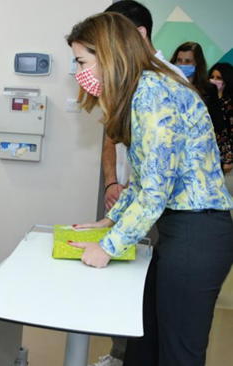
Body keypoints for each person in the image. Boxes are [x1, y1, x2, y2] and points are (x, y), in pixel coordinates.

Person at [66, 12, 233, 366]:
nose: (79, 71)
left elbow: (155, 191)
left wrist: (107, 248)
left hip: (197, 233)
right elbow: (143, 180)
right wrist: (110, 222)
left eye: (82, 61)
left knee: (177, 354)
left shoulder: (154, 93)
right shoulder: (145, 91)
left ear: (108, 55)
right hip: (181, 231)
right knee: (145, 340)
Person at [90, 2, 186, 364]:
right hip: (136, 198)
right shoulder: (133, 82)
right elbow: (117, 141)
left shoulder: (160, 83)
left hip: (172, 215)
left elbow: (157, 186)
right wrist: (113, 191)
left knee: (162, 318)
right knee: (136, 294)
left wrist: (110, 239)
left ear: (137, 35)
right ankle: (122, 354)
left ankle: (123, 353)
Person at [101, 0, 187, 213]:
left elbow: (158, 156)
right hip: (122, 193)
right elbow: (111, 137)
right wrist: (111, 183)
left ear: (140, 33)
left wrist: (130, 192)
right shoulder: (126, 79)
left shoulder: (166, 80)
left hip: (153, 200)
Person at [170, 42, 224, 136]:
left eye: (188, 61)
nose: (182, 65)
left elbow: (218, 124)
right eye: (179, 60)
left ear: (197, 63)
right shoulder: (166, 86)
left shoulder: (209, 89)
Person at [209, 62, 233, 174]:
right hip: (206, 152)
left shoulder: (229, 103)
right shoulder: (206, 99)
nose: (214, 80)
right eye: (212, 77)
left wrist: (228, 159)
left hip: (223, 156)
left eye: (218, 78)